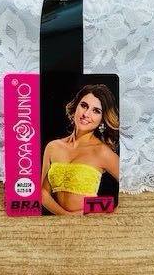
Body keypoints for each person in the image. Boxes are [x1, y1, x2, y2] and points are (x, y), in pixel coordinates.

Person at [41, 84, 119, 215]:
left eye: (96, 111)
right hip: (57, 221)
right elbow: (42, 192)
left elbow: (131, 187)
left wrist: (110, 216)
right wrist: (66, 216)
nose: (86, 114)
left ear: (102, 120)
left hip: (88, 223)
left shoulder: (102, 152)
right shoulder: (53, 147)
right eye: (84, 106)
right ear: (75, 107)